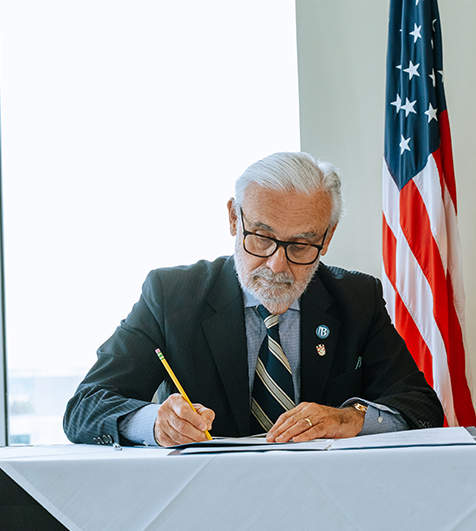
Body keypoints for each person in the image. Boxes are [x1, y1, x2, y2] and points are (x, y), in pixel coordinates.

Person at [64, 151, 443, 446]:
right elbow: (86, 406)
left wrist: (352, 417)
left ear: (327, 239)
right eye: (261, 237)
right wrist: (155, 423)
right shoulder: (171, 295)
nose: (277, 265)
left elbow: (422, 407)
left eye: (300, 244)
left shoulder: (356, 298)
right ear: (234, 218)